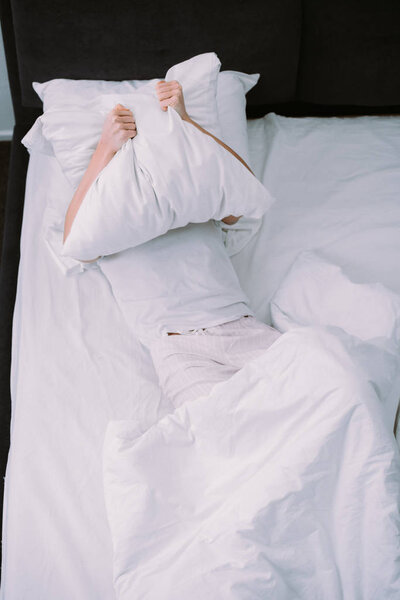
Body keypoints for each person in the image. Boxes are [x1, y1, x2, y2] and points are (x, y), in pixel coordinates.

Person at [63, 80, 281, 409]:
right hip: (179, 349)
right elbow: (77, 243)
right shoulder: (107, 206)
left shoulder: (192, 185)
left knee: (330, 384)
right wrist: (105, 148)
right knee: (223, 432)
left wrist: (186, 121)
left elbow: (238, 197)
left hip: (240, 327)